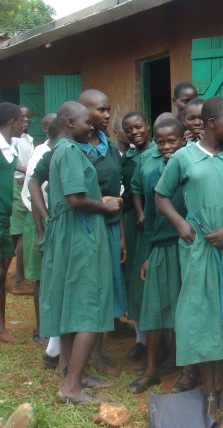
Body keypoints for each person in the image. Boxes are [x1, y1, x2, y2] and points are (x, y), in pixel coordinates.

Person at [156, 96, 223, 419]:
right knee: (204, 318)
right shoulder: (184, 159)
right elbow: (161, 196)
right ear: (213, 124)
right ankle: (210, 389)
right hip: (198, 248)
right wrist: (180, 223)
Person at [40, 101, 120, 404]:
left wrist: (98, 198)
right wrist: (105, 205)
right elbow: (76, 199)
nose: (93, 126)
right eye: (87, 122)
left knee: (74, 304)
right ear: (70, 123)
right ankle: (71, 387)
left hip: (72, 232)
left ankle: (75, 373)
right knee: (87, 307)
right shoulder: (71, 151)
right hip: (80, 234)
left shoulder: (61, 150)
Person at [127, 117, 187, 394]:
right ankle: (151, 369)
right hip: (161, 249)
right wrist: (149, 253)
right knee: (154, 310)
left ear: (183, 139)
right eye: (160, 142)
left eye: (171, 141)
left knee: (185, 311)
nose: (166, 147)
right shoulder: (153, 175)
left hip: (186, 249)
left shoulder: (190, 171)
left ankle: (187, 368)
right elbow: (150, 221)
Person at [78, 89, 127, 374]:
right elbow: (38, 181)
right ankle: (88, 356)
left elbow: (115, 193)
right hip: (86, 228)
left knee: (106, 287)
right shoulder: (72, 148)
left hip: (109, 228)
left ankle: (98, 351)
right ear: (83, 111)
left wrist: (120, 236)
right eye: (101, 110)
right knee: (91, 290)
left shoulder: (109, 147)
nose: (107, 115)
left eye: (108, 110)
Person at [121, 111, 154, 363]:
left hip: (158, 220)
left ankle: (161, 340)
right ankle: (141, 339)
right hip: (135, 223)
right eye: (129, 129)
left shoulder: (162, 149)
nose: (135, 132)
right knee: (136, 279)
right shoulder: (128, 158)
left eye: (138, 126)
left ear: (148, 126)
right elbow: (130, 190)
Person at [21, 113, 57, 343]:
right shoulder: (40, 153)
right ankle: (41, 328)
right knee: (41, 278)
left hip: (52, 219)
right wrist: (41, 231)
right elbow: (35, 196)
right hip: (39, 220)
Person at [0, 102, 24, 343]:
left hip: (4, 218)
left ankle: (1, 328)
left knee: (0, 273)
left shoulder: (10, 147)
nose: (23, 124)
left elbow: (15, 166)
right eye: (21, 120)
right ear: (12, 122)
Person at [10, 105, 33, 294]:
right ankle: (18, 279)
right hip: (17, 186)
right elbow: (13, 163)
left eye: (28, 117)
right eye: (22, 117)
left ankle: (19, 275)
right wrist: (29, 171)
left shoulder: (28, 139)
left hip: (25, 186)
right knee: (22, 231)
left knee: (22, 230)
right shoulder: (12, 140)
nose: (26, 120)